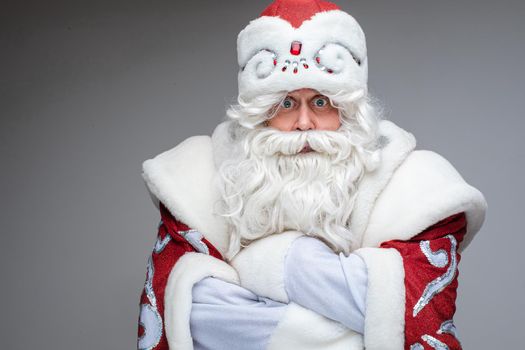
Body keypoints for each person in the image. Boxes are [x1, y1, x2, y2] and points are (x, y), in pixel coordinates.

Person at [137, 1, 487, 349]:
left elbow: (419, 314)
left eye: (321, 102)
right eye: (286, 104)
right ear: (259, 115)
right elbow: (188, 316)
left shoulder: (416, 185)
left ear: (349, 111)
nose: (304, 123)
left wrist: (275, 262)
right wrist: (352, 329)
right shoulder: (194, 180)